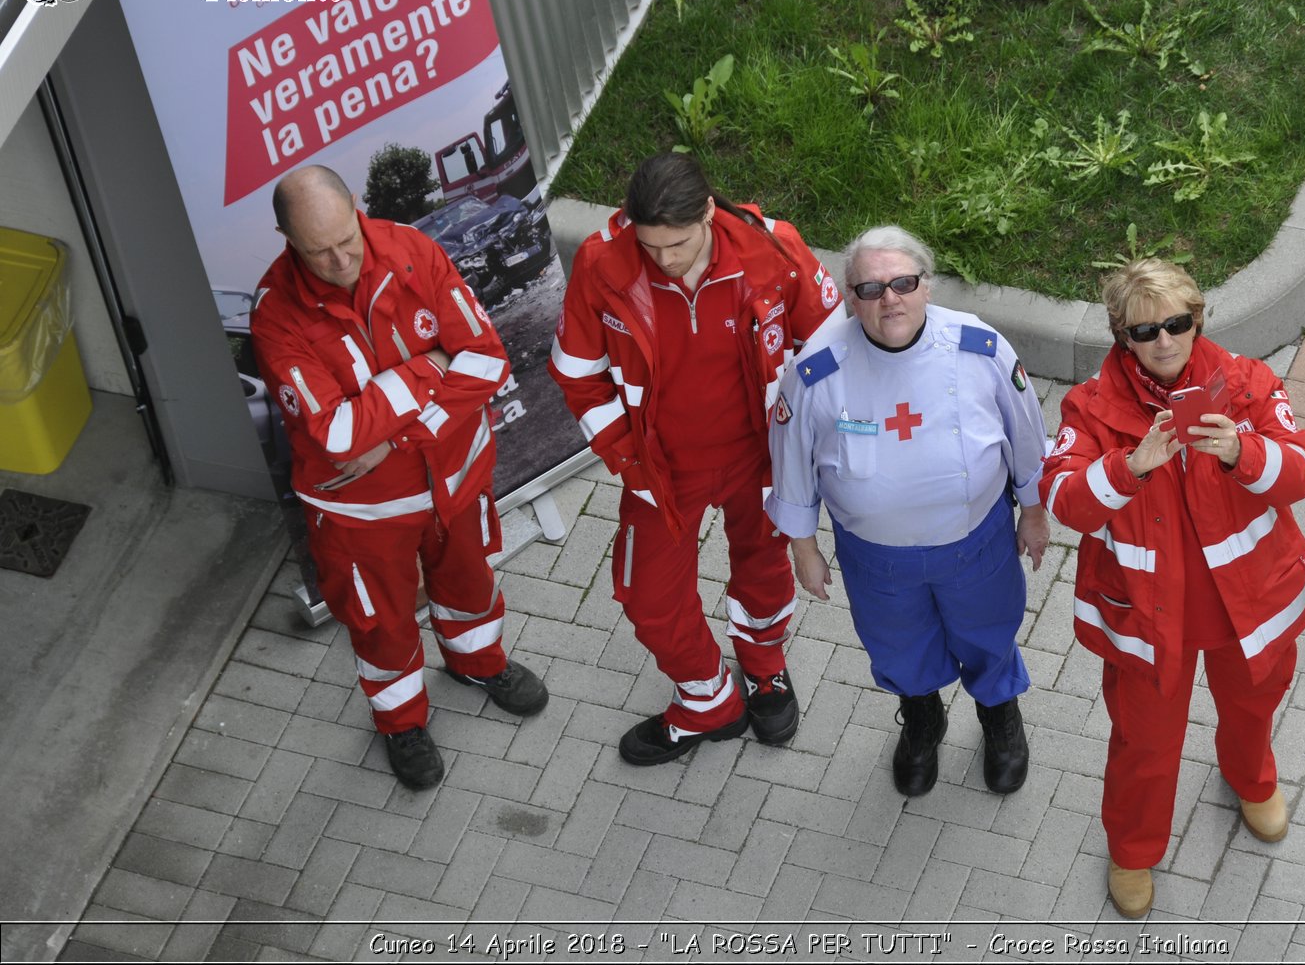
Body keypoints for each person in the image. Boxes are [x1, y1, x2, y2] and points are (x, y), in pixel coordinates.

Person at [252, 166, 547, 790]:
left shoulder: (415, 249)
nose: (338, 262)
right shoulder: (277, 315)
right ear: (284, 237)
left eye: (346, 241)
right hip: (365, 511)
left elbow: (487, 359)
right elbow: (337, 437)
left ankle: (478, 663)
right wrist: (429, 366)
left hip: (454, 477)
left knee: (469, 580)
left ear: (356, 209)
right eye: (317, 250)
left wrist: (395, 435)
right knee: (380, 620)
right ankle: (401, 722)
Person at [1039, 258, 1305, 917]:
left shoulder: (1248, 384)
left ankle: (1252, 780)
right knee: (1144, 744)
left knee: (1254, 705)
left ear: (1197, 320)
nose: (1163, 340)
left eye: (1176, 323)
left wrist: (1240, 453)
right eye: (1145, 330)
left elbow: (1301, 471)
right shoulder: (1093, 408)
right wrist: (1128, 466)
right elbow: (1063, 500)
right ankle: (1133, 850)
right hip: (1147, 618)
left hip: (1244, 607)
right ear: (1121, 336)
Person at [548, 153, 842, 765]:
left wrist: (813, 451)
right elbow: (578, 373)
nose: (665, 260)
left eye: (677, 244)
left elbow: (829, 349)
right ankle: (707, 697)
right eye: (651, 246)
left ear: (709, 212)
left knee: (764, 569)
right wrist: (628, 463)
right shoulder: (604, 264)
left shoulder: (773, 251)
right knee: (648, 598)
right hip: (660, 472)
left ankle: (764, 666)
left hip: (759, 459)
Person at [766, 226, 1050, 796]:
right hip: (877, 559)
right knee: (897, 643)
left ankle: (1000, 716)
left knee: (988, 632)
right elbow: (791, 460)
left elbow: (1025, 432)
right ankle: (922, 718)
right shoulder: (817, 372)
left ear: (926, 286)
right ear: (850, 298)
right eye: (870, 289)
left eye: (902, 283)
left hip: (976, 541)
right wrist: (804, 546)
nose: (888, 299)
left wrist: (1034, 509)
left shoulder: (979, 349)